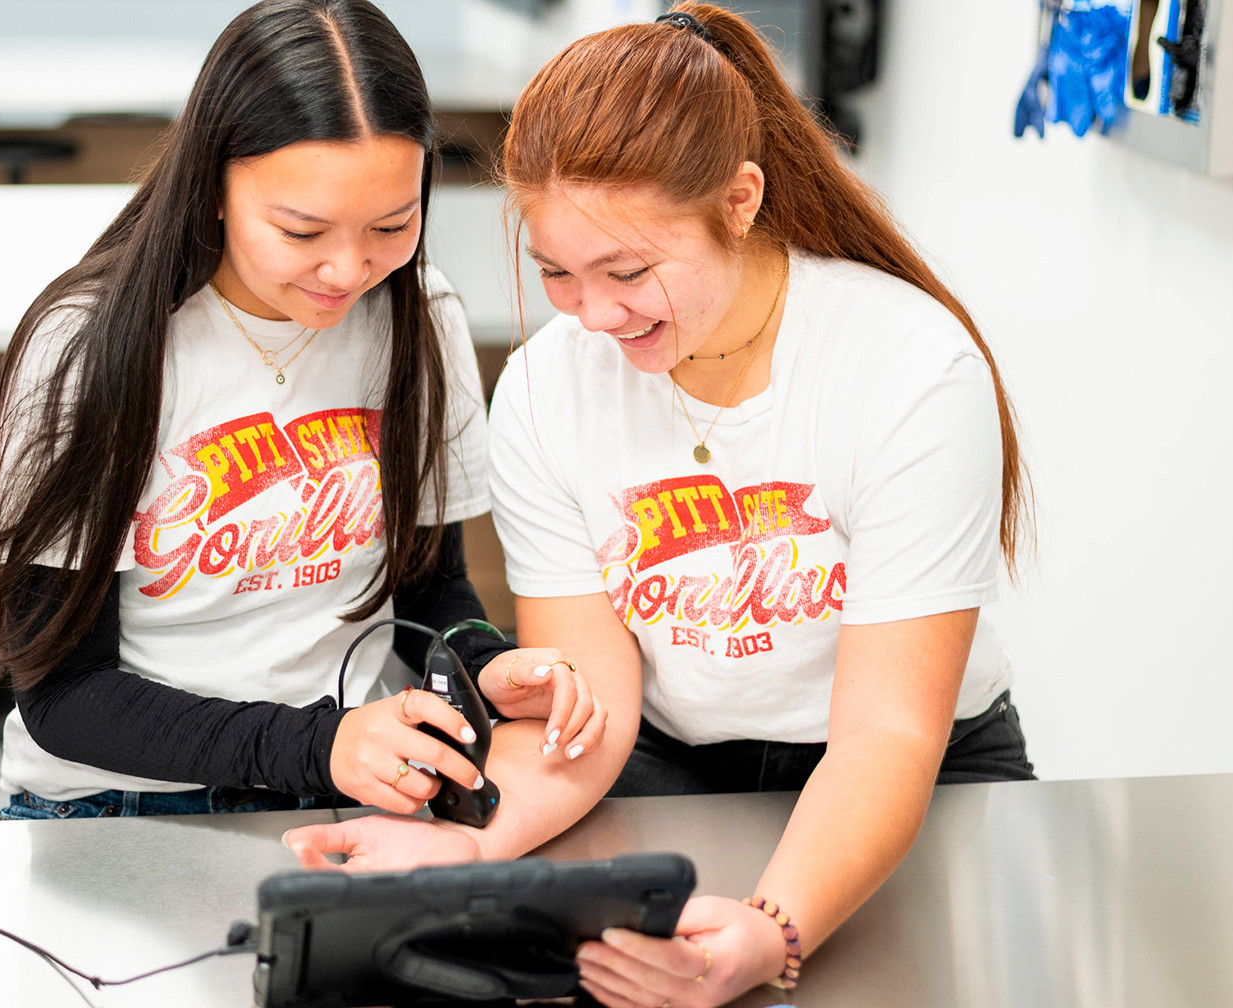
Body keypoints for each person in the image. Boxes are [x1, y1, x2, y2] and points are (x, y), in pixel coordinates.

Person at [287, 2, 1037, 1002]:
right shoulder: (551, 386)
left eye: (628, 270)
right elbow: (588, 696)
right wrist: (474, 846)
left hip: (918, 776)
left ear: (740, 199)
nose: (595, 315)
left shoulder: (908, 370)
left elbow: (887, 733)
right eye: (557, 272)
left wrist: (775, 929)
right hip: (666, 767)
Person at [0, 0, 603, 824]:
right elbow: (65, 698)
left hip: (338, 782)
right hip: (114, 802)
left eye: (391, 223)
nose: (348, 269)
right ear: (216, 185)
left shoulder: (416, 318)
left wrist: (483, 664)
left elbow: (429, 590)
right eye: (302, 230)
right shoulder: (93, 346)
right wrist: (320, 745)